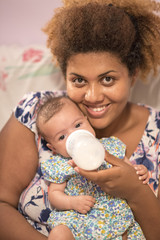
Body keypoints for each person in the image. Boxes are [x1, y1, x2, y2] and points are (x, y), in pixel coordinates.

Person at [0, 0, 160, 239]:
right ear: (65, 75)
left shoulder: (156, 135)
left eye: (107, 79)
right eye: (78, 80)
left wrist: (135, 192)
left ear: (133, 75)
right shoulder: (36, 112)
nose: (92, 97)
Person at [36, 95, 149, 240]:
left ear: (86, 119)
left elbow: (129, 171)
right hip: (78, 218)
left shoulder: (110, 147)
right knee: (59, 233)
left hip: (113, 214)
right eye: (62, 137)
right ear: (53, 148)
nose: (75, 135)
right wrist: (72, 202)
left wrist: (140, 172)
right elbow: (54, 195)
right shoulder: (59, 164)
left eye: (78, 125)